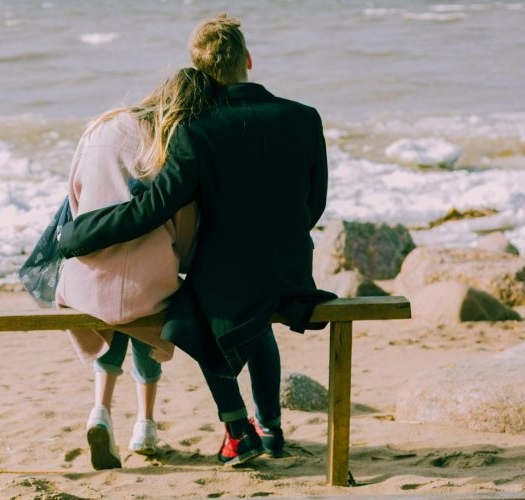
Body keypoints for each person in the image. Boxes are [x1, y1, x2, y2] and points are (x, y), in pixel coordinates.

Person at [58, 13, 334, 467]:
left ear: (198, 68)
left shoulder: (196, 131)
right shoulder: (304, 117)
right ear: (247, 59)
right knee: (257, 317)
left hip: (228, 281)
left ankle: (235, 430)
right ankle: (271, 428)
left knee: (191, 316)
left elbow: (152, 209)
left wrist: (77, 235)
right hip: (291, 272)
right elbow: (315, 203)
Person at [56, 68, 217, 470]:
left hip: (87, 280)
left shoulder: (102, 126)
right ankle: (145, 423)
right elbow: (182, 225)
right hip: (146, 285)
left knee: (113, 311)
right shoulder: (168, 145)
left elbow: (74, 198)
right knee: (149, 304)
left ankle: (100, 410)